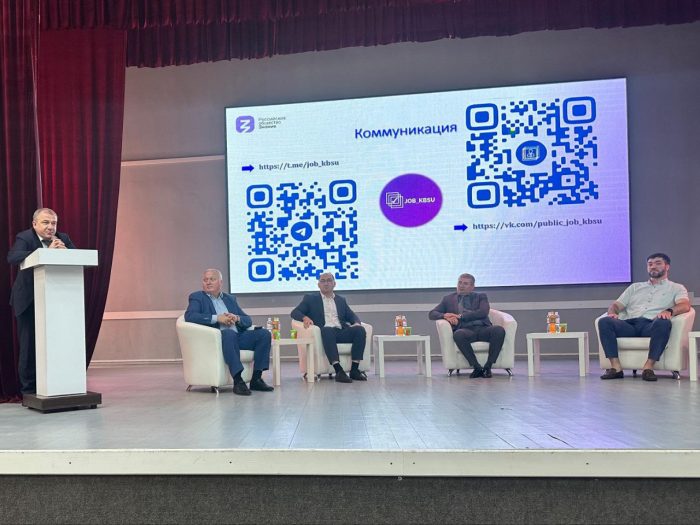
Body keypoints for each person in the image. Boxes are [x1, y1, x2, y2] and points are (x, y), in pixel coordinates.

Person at [7, 208, 76, 395]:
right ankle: (29, 391)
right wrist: (45, 252)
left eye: (54, 223)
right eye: (46, 222)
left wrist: (66, 252)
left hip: (57, 302)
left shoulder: (63, 238)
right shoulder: (25, 237)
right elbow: (12, 257)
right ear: (34, 224)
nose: (51, 227)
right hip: (28, 301)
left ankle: (56, 385)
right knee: (29, 347)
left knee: (56, 345)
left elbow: (78, 258)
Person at [599, 253, 690, 382]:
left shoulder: (676, 288)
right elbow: (616, 305)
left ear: (667, 266)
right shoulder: (635, 287)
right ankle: (616, 368)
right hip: (629, 325)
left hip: (651, 325)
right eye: (650, 264)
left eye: (658, 263)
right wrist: (612, 313)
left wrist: (669, 311)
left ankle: (648, 368)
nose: (653, 266)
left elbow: (685, 305)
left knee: (663, 322)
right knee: (605, 321)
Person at [185, 269, 273, 396]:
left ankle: (256, 379)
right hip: (217, 338)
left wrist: (236, 318)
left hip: (238, 337)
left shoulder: (230, 299)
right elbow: (190, 316)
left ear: (220, 282)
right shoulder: (197, 297)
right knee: (228, 333)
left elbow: (247, 320)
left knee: (264, 334)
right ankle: (238, 381)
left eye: (212, 279)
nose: (208, 282)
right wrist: (217, 318)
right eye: (205, 280)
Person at [290, 272, 367, 383]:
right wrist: (304, 317)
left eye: (329, 280)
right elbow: (295, 312)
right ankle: (339, 371)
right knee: (327, 329)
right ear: (318, 285)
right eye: (323, 281)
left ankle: (354, 370)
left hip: (341, 331)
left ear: (334, 284)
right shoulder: (310, 299)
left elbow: (352, 316)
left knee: (360, 330)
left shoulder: (341, 300)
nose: (326, 283)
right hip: (326, 333)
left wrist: (356, 323)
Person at [429, 273, 505, 378]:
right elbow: (432, 314)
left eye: (465, 283)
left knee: (499, 330)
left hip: (483, 328)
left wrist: (460, 316)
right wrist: (445, 315)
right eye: (459, 282)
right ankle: (477, 367)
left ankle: (488, 366)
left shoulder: (481, 296)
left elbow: (483, 312)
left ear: (472, 286)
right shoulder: (448, 299)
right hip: (466, 330)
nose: (461, 286)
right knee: (458, 334)